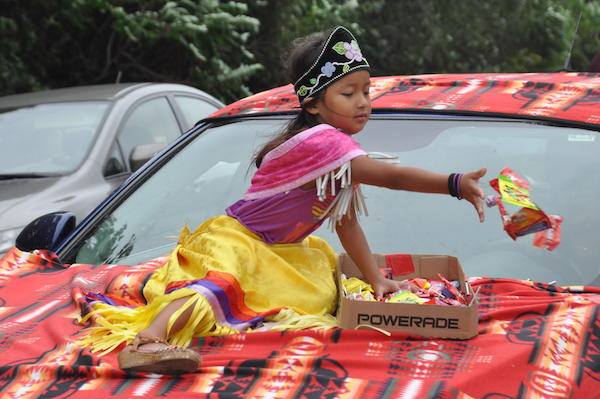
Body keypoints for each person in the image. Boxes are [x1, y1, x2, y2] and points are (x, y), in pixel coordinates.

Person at [78, 26, 486, 374]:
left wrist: (376, 278)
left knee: (312, 294)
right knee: (216, 288)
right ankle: (147, 340)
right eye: (348, 93)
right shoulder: (322, 141)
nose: (363, 102)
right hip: (238, 242)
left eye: (366, 90)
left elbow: (346, 223)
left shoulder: (336, 150)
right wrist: (453, 183)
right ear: (312, 103)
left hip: (282, 252)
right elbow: (393, 176)